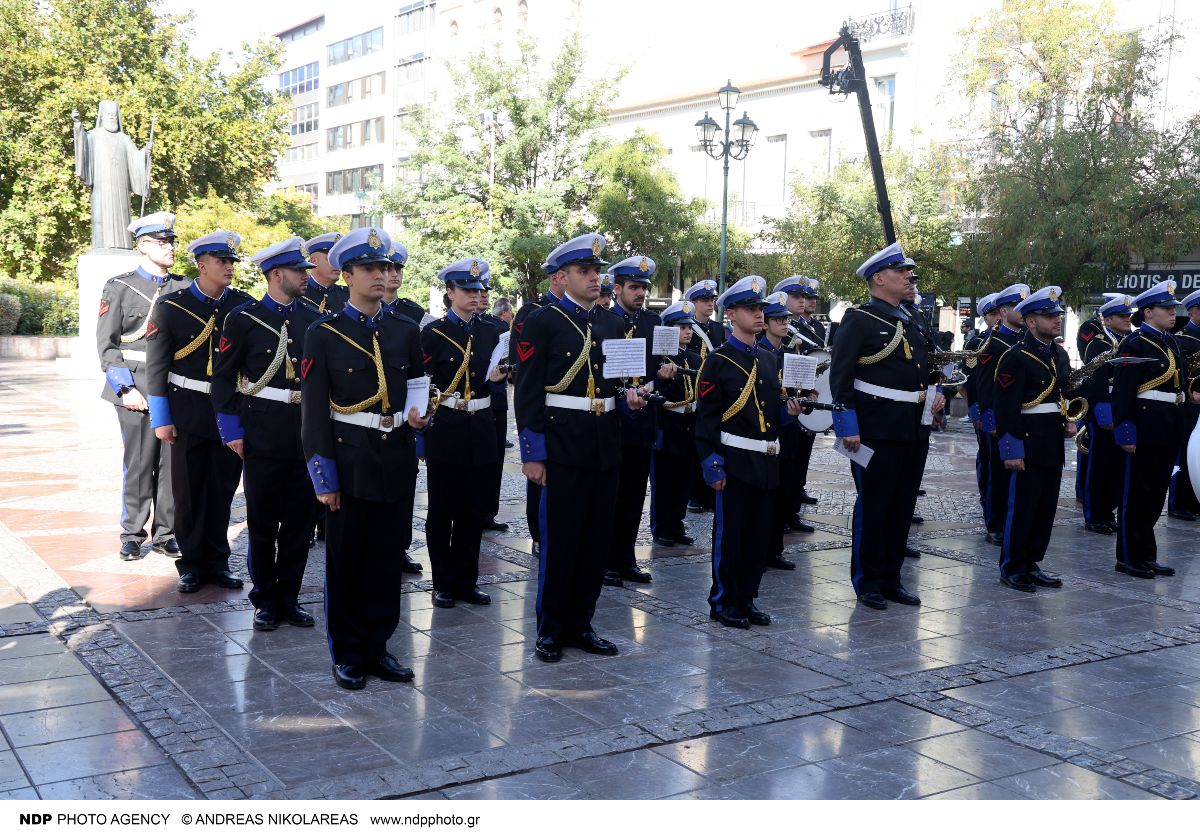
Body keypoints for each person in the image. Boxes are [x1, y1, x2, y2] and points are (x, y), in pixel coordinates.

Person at [301, 226, 429, 690]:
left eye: (387, 267)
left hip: (394, 455)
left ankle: (379, 647)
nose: (382, 275)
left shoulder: (404, 329)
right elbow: (314, 413)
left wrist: (421, 419)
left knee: (385, 558)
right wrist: (323, 477)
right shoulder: (324, 333)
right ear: (348, 275)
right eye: (371, 268)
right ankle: (349, 652)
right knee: (347, 559)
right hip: (349, 458)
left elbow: (418, 384)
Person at [514, 232, 645, 663]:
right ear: (562, 276)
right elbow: (528, 393)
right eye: (584, 271)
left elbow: (617, 383)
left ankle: (582, 624)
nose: (594, 278)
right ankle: (551, 629)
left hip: (604, 443)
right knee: (562, 541)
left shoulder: (609, 322)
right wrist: (532, 453)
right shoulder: (542, 320)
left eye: (596, 271)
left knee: (594, 541)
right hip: (563, 443)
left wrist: (629, 401)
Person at [211, 237, 322, 630]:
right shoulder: (244, 318)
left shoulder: (312, 318)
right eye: (298, 272)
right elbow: (223, 380)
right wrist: (232, 430)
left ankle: (289, 598)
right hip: (262, 433)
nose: (305, 278)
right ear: (277, 275)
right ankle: (265, 600)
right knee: (262, 523)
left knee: (300, 524)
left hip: (305, 434)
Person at [829, 242, 943, 610]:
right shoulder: (858, 319)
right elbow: (841, 378)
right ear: (879, 279)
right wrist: (846, 426)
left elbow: (924, 369)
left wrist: (936, 394)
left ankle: (892, 577)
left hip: (913, 427)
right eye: (900, 272)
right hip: (874, 429)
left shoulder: (912, 320)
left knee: (901, 507)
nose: (909, 277)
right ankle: (868, 580)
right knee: (875, 505)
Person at [146, 231, 254, 593]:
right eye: (221, 262)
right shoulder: (171, 306)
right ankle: (191, 564)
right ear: (201, 264)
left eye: (231, 262)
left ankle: (218, 561)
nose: (228, 268)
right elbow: (156, 365)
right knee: (189, 492)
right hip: (187, 410)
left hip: (227, 411)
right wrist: (161, 418)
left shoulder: (241, 305)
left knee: (222, 489)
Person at [97, 211, 189, 561]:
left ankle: (167, 533)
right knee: (138, 462)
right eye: (162, 242)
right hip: (136, 386)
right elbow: (107, 345)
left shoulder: (183, 288)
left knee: (170, 464)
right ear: (143, 246)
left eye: (171, 241)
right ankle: (132, 533)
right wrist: (124, 389)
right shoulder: (119, 287)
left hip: (173, 387)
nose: (170, 247)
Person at [695, 276, 781, 628]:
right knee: (732, 536)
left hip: (766, 459)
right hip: (735, 459)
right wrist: (712, 464)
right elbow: (706, 419)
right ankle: (723, 600)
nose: (758, 315)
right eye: (750, 309)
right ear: (730, 313)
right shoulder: (718, 361)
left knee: (759, 537)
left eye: (761, 308)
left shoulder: (768, 358)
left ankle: (747, 598)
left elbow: (770, 412)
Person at [421, 258, 506, 608]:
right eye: (467, 290)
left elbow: (494, 377)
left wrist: (499, 379)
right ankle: (443, 581)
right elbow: (422, 384)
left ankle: (467, 580)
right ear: (450, 293)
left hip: (482, 424)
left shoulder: (490, 331)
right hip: (447, 426)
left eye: (479, 290)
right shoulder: (434, 333)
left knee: (474, 511)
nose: (475, 296)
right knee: (442, 509)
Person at [992, 286, 1074, 592]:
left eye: (1058, 315)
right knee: (1023, 508)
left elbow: (1061, 394)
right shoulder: (1015, 357)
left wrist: (1068, 420)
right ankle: (1012, 566)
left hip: (1051, 439)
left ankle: (1031, 562)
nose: (1056, 320)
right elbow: (1005, 405)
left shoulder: (1059, 354)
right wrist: (1010, 448)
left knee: (1044, 509)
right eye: (1049, 315)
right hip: (1026, 440)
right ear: (1030, 322)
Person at [1111, 280, 1189, 579]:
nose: (1172, 313)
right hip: (1143, 427)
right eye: (1166, 308)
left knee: (1156, 495)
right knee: (1135, 496)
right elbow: (1123, 392)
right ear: (1148, 312)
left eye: (1173, 308)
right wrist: (1126, 431)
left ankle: (1147, 554)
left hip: (1167, 426)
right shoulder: (1135, 343)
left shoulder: (1169, 341)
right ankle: (1129, 557)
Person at [605, 255, 665, 587]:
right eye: (633, 287)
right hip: (612, 421)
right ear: (617, 289)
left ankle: (626, 558)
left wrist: (662, 378)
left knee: (633, 496)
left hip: (643, 420)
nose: (640, 293)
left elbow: (661, 367)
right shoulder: (603, 321)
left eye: (644, 287)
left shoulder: (653, 323)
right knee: (610, 496)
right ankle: (606, 561)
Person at [508, 265, 567, 548]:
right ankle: (538, 534)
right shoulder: (534, 312)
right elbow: (521, 365)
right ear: (557, 278)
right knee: (539, 481)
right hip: (543, 404)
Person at [759, 291, 811, 572]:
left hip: (789, 428)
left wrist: (807, 395)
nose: (784, 323)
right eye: (778, 319)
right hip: (767, 429)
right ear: (765, 323)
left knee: (785, 489)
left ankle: (775, 549)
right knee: (766, 494)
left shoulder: (791, 352)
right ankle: (761, 549)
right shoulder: (759, 352)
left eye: (786, 319)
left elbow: (797, 390)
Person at [975, 284, 1030, 545]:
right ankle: (995, 524)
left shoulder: (1026, 340)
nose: (1023, 312)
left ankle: (1013, 521)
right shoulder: (993, 343)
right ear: (1004, 311)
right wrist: (990, 420)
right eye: (1018, 307)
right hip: (998, 418)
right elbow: (985, 386)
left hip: (1023, 418)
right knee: (997, 473)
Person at [1076, 294, 1134, 534]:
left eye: (1129, 315)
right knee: (1099, 465)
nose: (1127, 319)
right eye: (1122, 316)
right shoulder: (1099, 344)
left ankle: (1109, 511)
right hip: (1104, 408)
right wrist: (1104, 416)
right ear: (1107, 320)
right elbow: (1097, 384)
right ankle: (1095, 515)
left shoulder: (1131, 341)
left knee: (1118, 467)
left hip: (1122, 407)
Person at [650, 301, 701, 548]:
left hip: (689, 422)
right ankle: (662, 527)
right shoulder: (659, 359)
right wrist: (662, 378)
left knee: (684, 478)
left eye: (689, 326)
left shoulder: (693, 358)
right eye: (681, 327)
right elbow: (656, 390)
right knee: (665, 479)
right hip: (668, 421)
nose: (688, 331)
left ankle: (677, 524)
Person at [776, 275, 823, 526]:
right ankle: (782, 511)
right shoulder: (776, 326)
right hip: (783, 400)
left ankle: (792, 507)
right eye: (797, 297)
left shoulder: (809, 328)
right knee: (783, 460)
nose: (803, 301)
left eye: (804, 297)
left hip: (804, 397)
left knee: (799, 454)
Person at [477, 276, 511, 532]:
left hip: (495, 402)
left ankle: (488, 511)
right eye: (478, 291)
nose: (483, 295)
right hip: (467, 404)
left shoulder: (496, 326)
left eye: (486, 291)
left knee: (494, 460)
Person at [684, 278, 722, 514]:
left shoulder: (718, 330)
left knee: (711, 440)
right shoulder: (687, 327)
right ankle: (694, 493)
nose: (710, 305)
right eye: (705, 300)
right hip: (690, 392)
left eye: (712, 300)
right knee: (692, 446)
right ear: (694, 302)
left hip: (712, 392)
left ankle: (708, 491)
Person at [963, 293, 1000, 526]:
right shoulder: (977, 343)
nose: (997, 318)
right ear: (985, 317)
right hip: (987, 408)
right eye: (992, 314)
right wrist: (976, 413)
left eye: (1000, 313)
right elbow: (971, 381)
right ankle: (987, 497)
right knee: (988, 456)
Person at [1168, 289, 1200, 520]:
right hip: (1190, 405)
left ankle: (1196, 499)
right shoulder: (1182, 338)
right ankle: (1179, 502)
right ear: (1191, 312)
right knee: (1185, 455)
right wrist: (1190, 394)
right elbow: (1178, 374)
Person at [302, 232, 349, 314]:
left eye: (339, 259)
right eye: (330, 259)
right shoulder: (297, 294)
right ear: (313, 261)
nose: (337, 264)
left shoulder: (349, 296)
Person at [380, 243, 426, 325]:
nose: (395, 274)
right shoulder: (365, 308)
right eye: (388, 269)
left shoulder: (416, 312)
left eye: (398, 269)